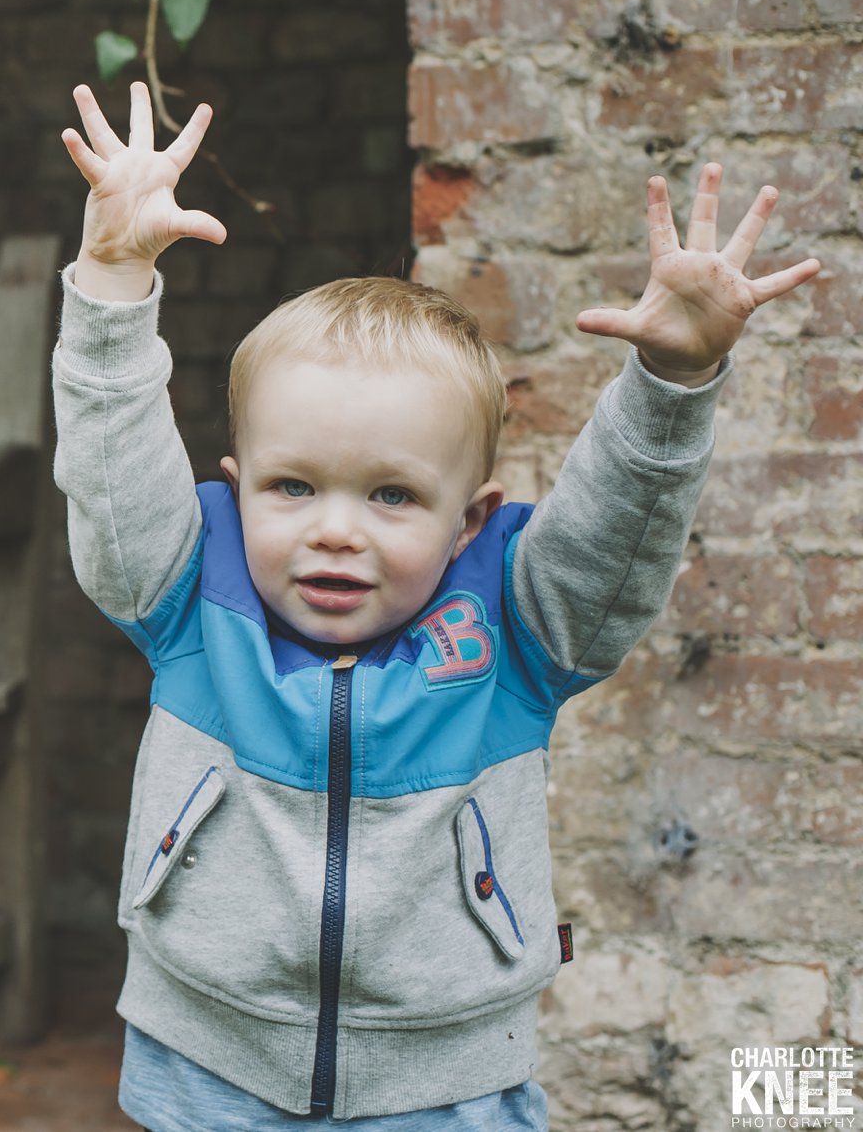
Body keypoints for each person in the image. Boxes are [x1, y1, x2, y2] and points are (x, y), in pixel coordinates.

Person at [51, 83, 820, 1132]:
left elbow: (616, 531)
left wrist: (670, 379)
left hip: (443, 1088)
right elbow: (108, 469)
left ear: (469, 521)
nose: (334, 528)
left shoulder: (518, 624)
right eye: (291, 486)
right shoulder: (189, 589)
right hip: (203, 1068)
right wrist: (110, 276)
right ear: (234, 487)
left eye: (390, 495)